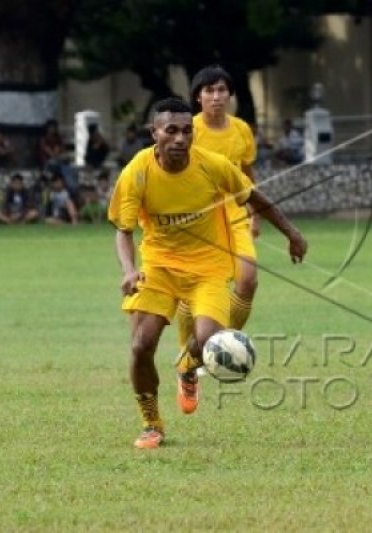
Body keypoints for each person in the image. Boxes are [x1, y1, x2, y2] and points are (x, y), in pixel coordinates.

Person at [108, 97, 307, 449]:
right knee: (141, 346)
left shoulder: (212, 166)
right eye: (171, 130)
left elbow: (255, 197)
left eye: (187, 130)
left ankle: (188, 366)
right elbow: (123, 230)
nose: (181, 138)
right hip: (159, 267)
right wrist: (128, 270)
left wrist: (291, 234)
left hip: (208, 269)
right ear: (154, 133)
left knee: (208, 342)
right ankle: (151, 424)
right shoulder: (137, 171)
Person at [171, 65, 260, 371]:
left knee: (248, 279)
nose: (216, 96)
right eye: (209, 91)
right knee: (191, 290)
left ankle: (220, 342)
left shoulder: (241, 130)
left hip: (234, 213)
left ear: (230, 95)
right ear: (197, 97)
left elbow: (247, 174)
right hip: (198, 217)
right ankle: (188, 354)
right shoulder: (188, 130)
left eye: (222, 90)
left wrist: (255, 213)